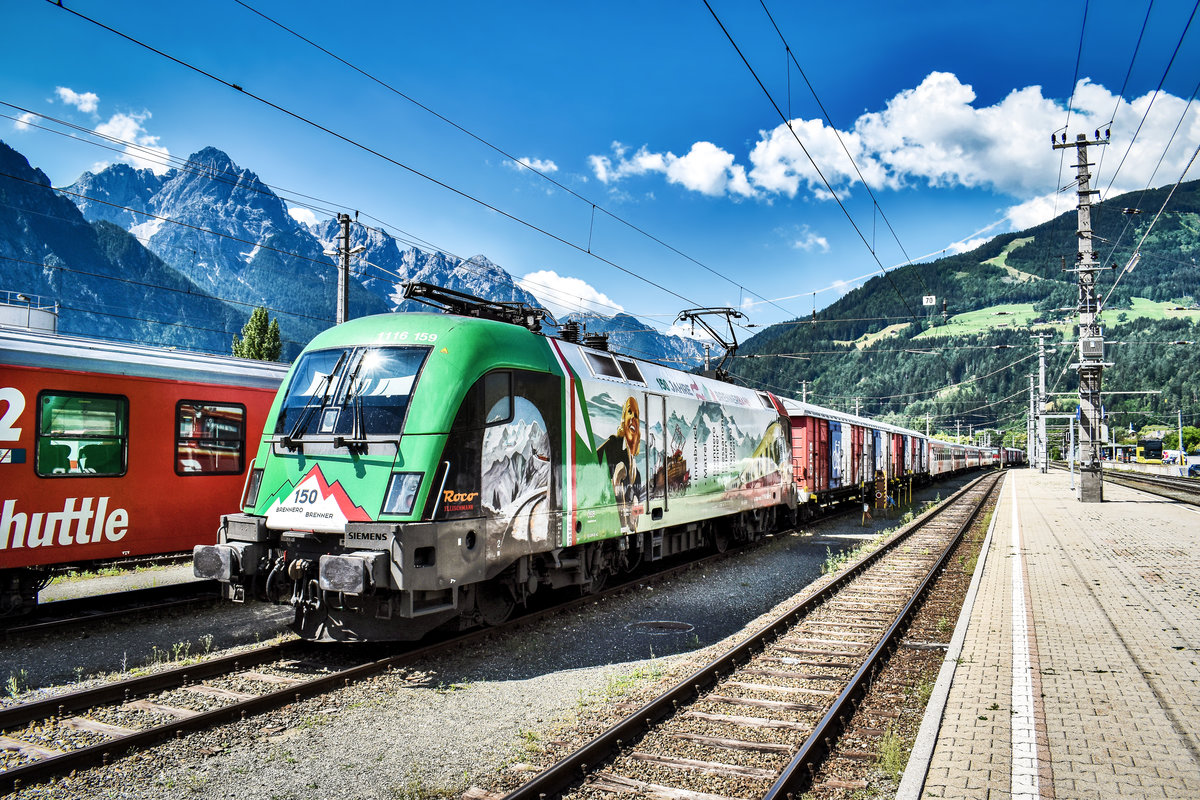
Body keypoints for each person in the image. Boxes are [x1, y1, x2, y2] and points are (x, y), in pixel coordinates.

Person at [598, 396, 644, 531]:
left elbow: (636, 502)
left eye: (636, 415)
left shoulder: (637, 472)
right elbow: (590, 462)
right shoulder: (612, 444)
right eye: (630, 412)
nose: (633, 418)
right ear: (623, 419)